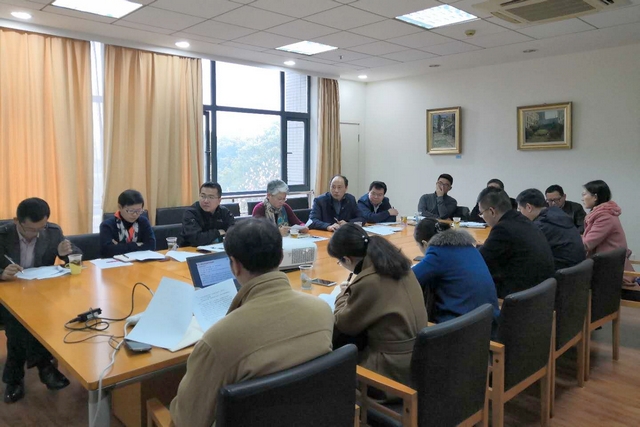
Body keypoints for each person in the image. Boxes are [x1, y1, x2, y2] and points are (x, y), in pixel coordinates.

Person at [169, 218, 334, 426]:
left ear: (235, 265)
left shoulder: (218, 340)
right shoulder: (322, 311)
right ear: (281, 257)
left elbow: (188, 420)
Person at [0, 198, 80, 403]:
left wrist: (66, 254)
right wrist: (2, 273)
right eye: (30, 230)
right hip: (7, 295)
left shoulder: (52, 231)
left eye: (40, 229)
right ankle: (44, 366)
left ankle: (14, 378)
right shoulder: (3, 235)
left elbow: (77, 260)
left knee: (31, 321)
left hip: (40, 295)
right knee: (18, 321)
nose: (36, 234)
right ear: (16, 221)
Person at [329, 223, 427, 387]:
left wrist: (342, 294)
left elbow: (343, 323)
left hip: (391, 369)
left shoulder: (370, 281)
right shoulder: (400, 266)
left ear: (347, 259)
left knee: (331, 361)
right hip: (420, 357)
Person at [412, 219, 499, 326]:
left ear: (425, 244)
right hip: (489, 322)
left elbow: (409, 279)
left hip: (463, 326)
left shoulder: (437, 252)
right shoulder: (469, 247)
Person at [476, 187, 555, 299]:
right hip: (541, 291)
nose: (482, 217)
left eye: (481, 213)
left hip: (521, 296)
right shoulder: (523, 220)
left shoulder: (502, 229)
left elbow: (480, 261)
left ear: (492, 211)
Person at [581, 180, 635, 285]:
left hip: (610, 270)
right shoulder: (600, 214)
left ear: (595, 197)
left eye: (584, 194)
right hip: (606, 265)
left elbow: (587, 244)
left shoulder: (604, 217)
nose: (582, 198)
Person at [516, 189, 586, 271]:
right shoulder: (557, 213)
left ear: (529, 207)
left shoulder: (540, 226)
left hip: (561, 272)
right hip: (577, 269)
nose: (519, 214)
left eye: (520, 210)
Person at [99, 189, 156, 257]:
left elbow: (151, 246)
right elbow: (108, 251)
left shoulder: (143, 222)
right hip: (115, 263)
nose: (135, 214)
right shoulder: (107, 225)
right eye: (131, 211)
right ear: (120, 207)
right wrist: (136, 244)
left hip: (140, 261)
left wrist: (119, 246)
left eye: (139, 211)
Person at [179, 182, 235, 247]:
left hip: (217, 249)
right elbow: (196, 239)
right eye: (203, 196)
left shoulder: (224, 212)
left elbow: (234, 234)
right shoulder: (191, 213)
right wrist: (218, 232)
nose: (206, 201)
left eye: (211, 197)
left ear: (219, 200)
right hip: (190, 250)